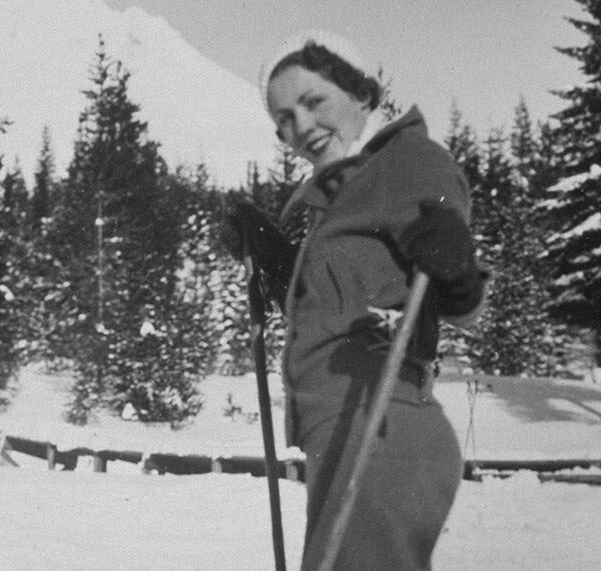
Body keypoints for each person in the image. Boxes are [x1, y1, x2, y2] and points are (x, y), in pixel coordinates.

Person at [223, 30, 488, 569]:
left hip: (386, 425)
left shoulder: (411, 161)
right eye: (284, 121)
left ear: (363, 95)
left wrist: (456, 267)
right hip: (341, 435)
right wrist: (275, 259)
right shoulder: (335, 198)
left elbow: (462, 300)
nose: (301, 128)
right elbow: (329, 308)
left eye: (313, 101)